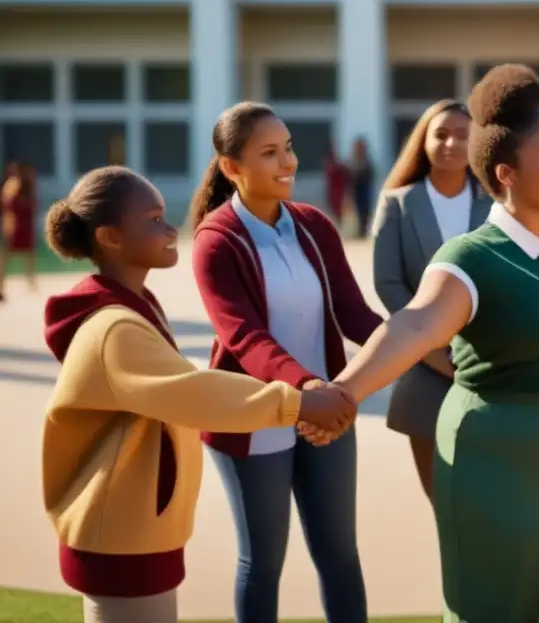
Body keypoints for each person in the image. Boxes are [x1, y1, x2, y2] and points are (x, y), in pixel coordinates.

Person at [323, 65, 539, 622]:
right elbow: (414, 326)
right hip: (500, 457)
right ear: (506, 172)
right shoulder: (471, 257)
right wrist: (344, 392)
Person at [40, 165, 355, 623]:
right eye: (152, 220)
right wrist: (299, 403)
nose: (170, 229)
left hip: (136, 531)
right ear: (109, 237)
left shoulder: (134, 307)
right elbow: (195, 393)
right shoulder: (114, 328)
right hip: (119, 536)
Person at [187, 102, 383, 623]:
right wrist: (308, 391)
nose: (287, 162)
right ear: (232, 168)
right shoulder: (215, 241)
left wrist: (424, 346)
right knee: (262, 562)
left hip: (326, 418)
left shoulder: (314, 225)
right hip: (256, 421)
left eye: (289, 147)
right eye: (269, 153)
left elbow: (354, 313)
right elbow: (244, 337)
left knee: (341, 556)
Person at [372, 98, 491, 499]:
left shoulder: (498, 205)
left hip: (492, 369)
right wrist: (432, 348)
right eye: (441, 134)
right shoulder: (398, 204)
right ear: (423, 140)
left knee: (486, 504)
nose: (451, 143)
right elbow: (388, 284)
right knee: (443, 503)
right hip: (423, 369)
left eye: (463, 135)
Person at [0, 161, 38, 299]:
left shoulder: (24, 184)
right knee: (8, 257)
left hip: (22, 226)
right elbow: (9, 205)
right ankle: (2, 285)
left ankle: (31, 281)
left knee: (26, 255)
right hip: (15, 226)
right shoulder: (13, 185)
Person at [349, 136, 375, 238]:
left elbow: (370, 174)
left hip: (365, 190)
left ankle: (363, 231)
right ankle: (360, 230)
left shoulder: (366, 160)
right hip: (356, 190)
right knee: (357, 210)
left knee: (365, 211)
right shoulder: (354, 160)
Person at [323, 145, 349, 229]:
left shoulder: (338, 165)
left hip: (338, 191)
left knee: (338, 209)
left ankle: (339, 225)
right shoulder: (330, 165)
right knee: (334, 209)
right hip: (333, 191)